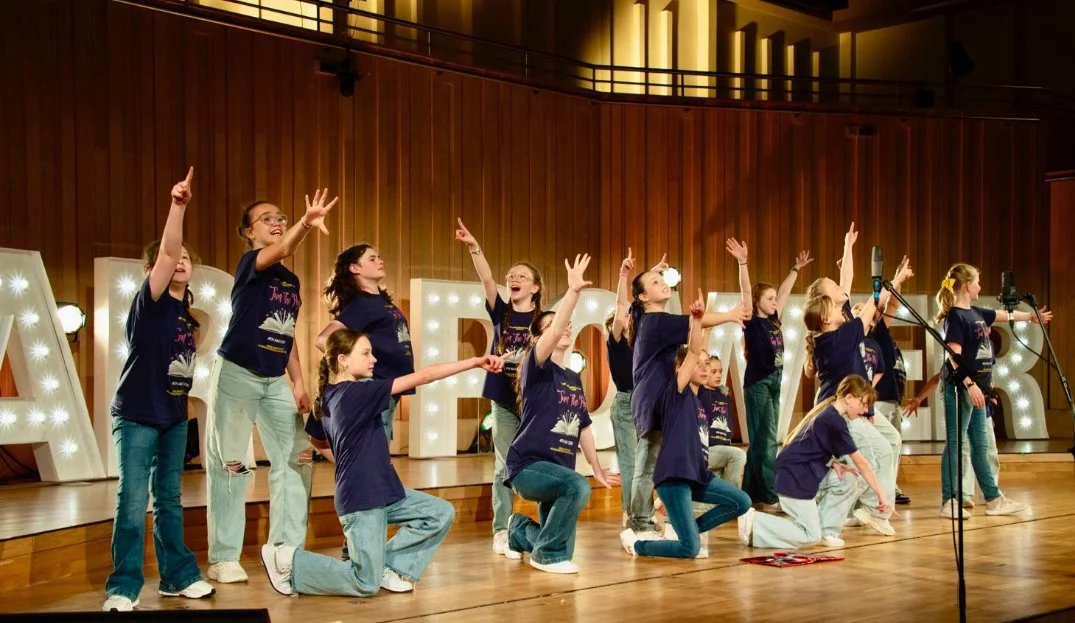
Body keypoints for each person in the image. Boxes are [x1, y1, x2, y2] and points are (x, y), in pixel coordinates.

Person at [261, 330, 504, 596]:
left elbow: (318, 442)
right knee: (365, 582)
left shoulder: (327, 396)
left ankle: (389, 566)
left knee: (439, 513)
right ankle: (289, 562)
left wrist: (349, 461)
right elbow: (425, 376)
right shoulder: (358, 392)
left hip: (383, 491)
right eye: (365, 353)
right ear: (342, 360)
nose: (373, 359)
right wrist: (475, 362)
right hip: (363, 500)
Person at [205, 188, 336, 583]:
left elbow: (286, 331)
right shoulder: (251, 264)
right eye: (267, 219)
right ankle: (224, 557)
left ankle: (285, 548)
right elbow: (283, 249)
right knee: (232, 463)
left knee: (299, 455)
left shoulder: (290, 282)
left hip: (275, 377)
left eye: (281, 217)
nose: (277, 222)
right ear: (249, 232)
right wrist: (306, 224)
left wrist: (298, 381)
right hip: (237, 373)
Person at [103, 168, 215, 612]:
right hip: (136, 414)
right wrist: (177, 206)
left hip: (172, 417)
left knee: (169, 498)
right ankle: (123, 586)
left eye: (187, 258)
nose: (180, 260)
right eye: (173, 258)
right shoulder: (149, 303)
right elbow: (168, 250)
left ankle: (177, 577)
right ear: (152, 271)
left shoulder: (188, 316)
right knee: (132, 499)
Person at [504, 254, 619, 574]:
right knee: (576, 488)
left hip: (558, 469)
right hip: (528, 467)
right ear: (538, 337)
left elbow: (583, 426)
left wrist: (596, 467)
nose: (565, 328)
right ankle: (545, 557)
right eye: (556, 326)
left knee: (556, 539)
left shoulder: (572, 377)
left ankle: (519, 531)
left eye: (568, 324)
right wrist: (573, 292)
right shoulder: (535, 366)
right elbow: (554, 331)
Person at [621, 294, 752, 560]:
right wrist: (697, 320)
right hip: (675, 480)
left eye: (707, 365)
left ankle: (689, 530)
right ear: (681, 368)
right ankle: (637, 545)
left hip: (698, 477)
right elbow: (693, 351)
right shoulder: (676, 392)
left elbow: (699, 352)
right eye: (698, 365)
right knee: (689, 549)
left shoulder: (702, 399)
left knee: (742, 502)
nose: (704, 368)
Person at [454, 218, 544, 558]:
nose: (514, 279)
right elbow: (487, 279)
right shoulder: (502, 312)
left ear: (535, 287)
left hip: (534, 403)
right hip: (503, 400)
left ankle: (543, 528)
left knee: (541, 463)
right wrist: (474, 247)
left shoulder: (543, 320)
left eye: (522, 276)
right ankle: (502, 531)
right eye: (512, 275)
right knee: (504, 464)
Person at [932, 263, 1050, 519]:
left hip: (980, 390)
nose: (980, 287)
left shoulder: (975, 312)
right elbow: (954, 356)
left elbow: (1001, 315)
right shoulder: (956, 316)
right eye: (977, 282)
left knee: (981, 445)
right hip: (960, 388)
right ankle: (949, 500)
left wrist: (1031, 317)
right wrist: (970, 385)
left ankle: (994, 499)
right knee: (956, 443)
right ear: (967, 286)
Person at [739, 375, 892, 549]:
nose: (865, 410)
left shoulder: (832, 414)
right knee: (810, 536)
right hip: (794, 478)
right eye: (863, 404)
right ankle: (756, 522)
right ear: (849, 398)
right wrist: (882, 497)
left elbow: (810, 446)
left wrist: (832, 462)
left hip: (802, 473)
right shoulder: (834, 421)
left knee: (848, 479)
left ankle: (827, 531)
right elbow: (862, 464)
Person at [725, 237, 813, 510]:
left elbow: (784, 292)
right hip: (759, 384)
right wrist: (743, 263)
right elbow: (745, 291)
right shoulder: (751, 321)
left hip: (774, 382)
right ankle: (770, 494)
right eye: (769, 299)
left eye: (775, 299)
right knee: (766, 440)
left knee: (763, 440)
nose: (775, 301)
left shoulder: (774, 319)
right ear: (758, 302)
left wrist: (795, 270)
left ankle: (751, 494)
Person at [315, 243, 413, 442]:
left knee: (378, 446)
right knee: (374, 447)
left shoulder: (380, 301)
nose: (380, 261)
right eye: (372, 258)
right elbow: (323, 339)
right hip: (377, 384)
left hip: (389, 385)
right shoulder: (362, 304)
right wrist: (356, 372)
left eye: (379, 257)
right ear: (354, 268)